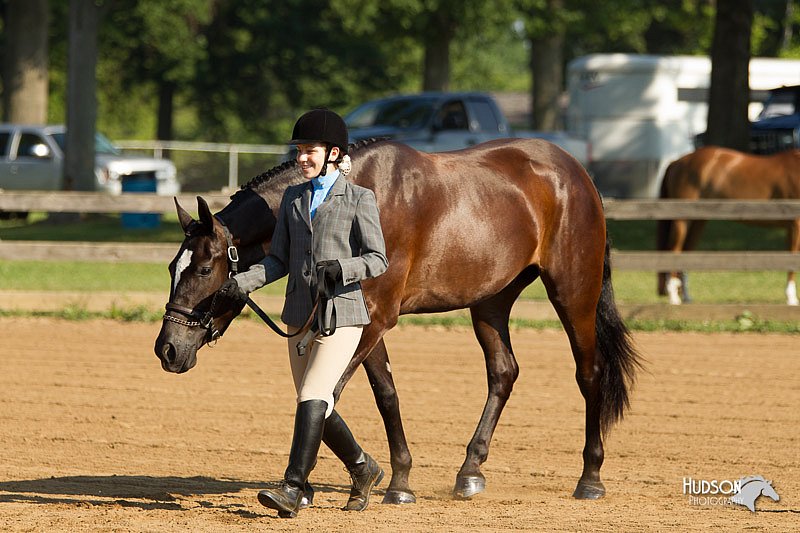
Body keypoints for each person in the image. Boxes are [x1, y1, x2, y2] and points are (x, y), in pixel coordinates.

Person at [216, 108, 388, 518]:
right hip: (297, 313)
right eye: (299, 151)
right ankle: (364, 468)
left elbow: (378, 259)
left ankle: (293, 487)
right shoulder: (294, 198)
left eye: (308, 151)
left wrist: (343, 269)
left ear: (332, 153)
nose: (301, 159)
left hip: (341, 313)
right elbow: (279, 260)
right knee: (318, 406)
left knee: (313, 396)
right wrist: (242, 283)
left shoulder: (359, 198)